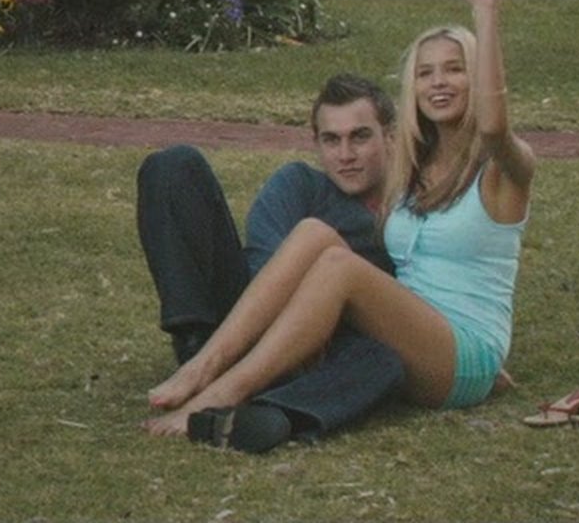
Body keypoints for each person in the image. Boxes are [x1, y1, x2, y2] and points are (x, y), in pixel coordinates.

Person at [143, 0, 533, 437]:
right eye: (425, 72)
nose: (439, 82)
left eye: (455, 69)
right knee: (314, 232)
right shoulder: (412, 172)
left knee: (338, 264)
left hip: (462, 350)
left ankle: (220, 394)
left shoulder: (503, 171)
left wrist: (485, 13)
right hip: (406, 334)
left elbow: (494, 128)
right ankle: (203, 364)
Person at [134, 72, 410, 452]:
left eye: (359, 137)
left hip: (334, 350)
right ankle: (198, 360)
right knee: (173, 165)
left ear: (390, 137)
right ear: (316, 143)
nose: (345, 155)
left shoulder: (411, 216)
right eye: (331, 140)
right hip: (246, 326)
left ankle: (261, 413)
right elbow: (266, 276)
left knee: (384, 362)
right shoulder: (298, 185)